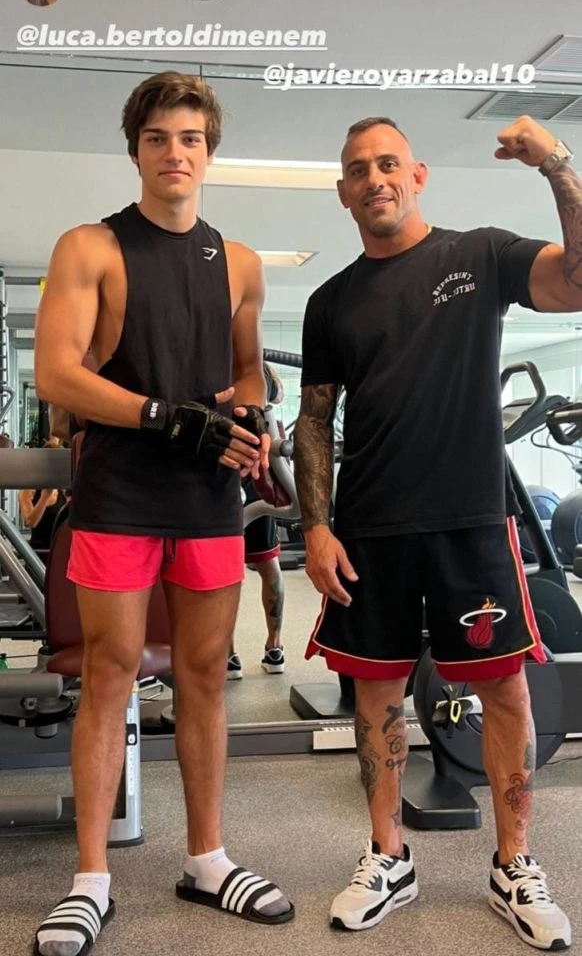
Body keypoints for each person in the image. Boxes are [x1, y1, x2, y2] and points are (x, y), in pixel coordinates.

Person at [293, 114, 578, 949]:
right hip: (370, 529)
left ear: (417, 175)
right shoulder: (329, 301)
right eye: (358, 169)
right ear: (343, 192)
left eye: (388, 163)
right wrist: (316, 526)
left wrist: (557, 165)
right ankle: (388, 855)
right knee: (375, 695)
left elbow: (579, 280)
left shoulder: (480, 255)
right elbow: (314, 420)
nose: (374, 178)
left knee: (505, 691)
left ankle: (514, 863)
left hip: (470, 523)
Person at [33, 71, 294, 956]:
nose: (174, 153)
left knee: (206, 676)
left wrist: (250, 409)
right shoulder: (91, 247)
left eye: (190, 139)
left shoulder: (242, 263)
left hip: (209, 503)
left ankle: (207, 859)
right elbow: (57, 373)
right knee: (110, 673)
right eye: (157, 139)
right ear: (136, 151)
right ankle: (90, 880)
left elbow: (250, 368)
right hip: (119, 498)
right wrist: (165, 416)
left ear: (209, 152)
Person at [228, 363, 286, 678]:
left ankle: (232, 654)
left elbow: (277, 393)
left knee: (241, 567)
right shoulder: (254, 370)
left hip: (248, 474)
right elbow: (276, 394)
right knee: (258, 565)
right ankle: (271, 649)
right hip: (241, 474)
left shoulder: (248, 366)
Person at [19, 437, 67, 563]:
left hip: (57, 553)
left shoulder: (61, 490)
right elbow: (30, 522)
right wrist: (44, 498)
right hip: (37, 555)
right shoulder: (29, 490)